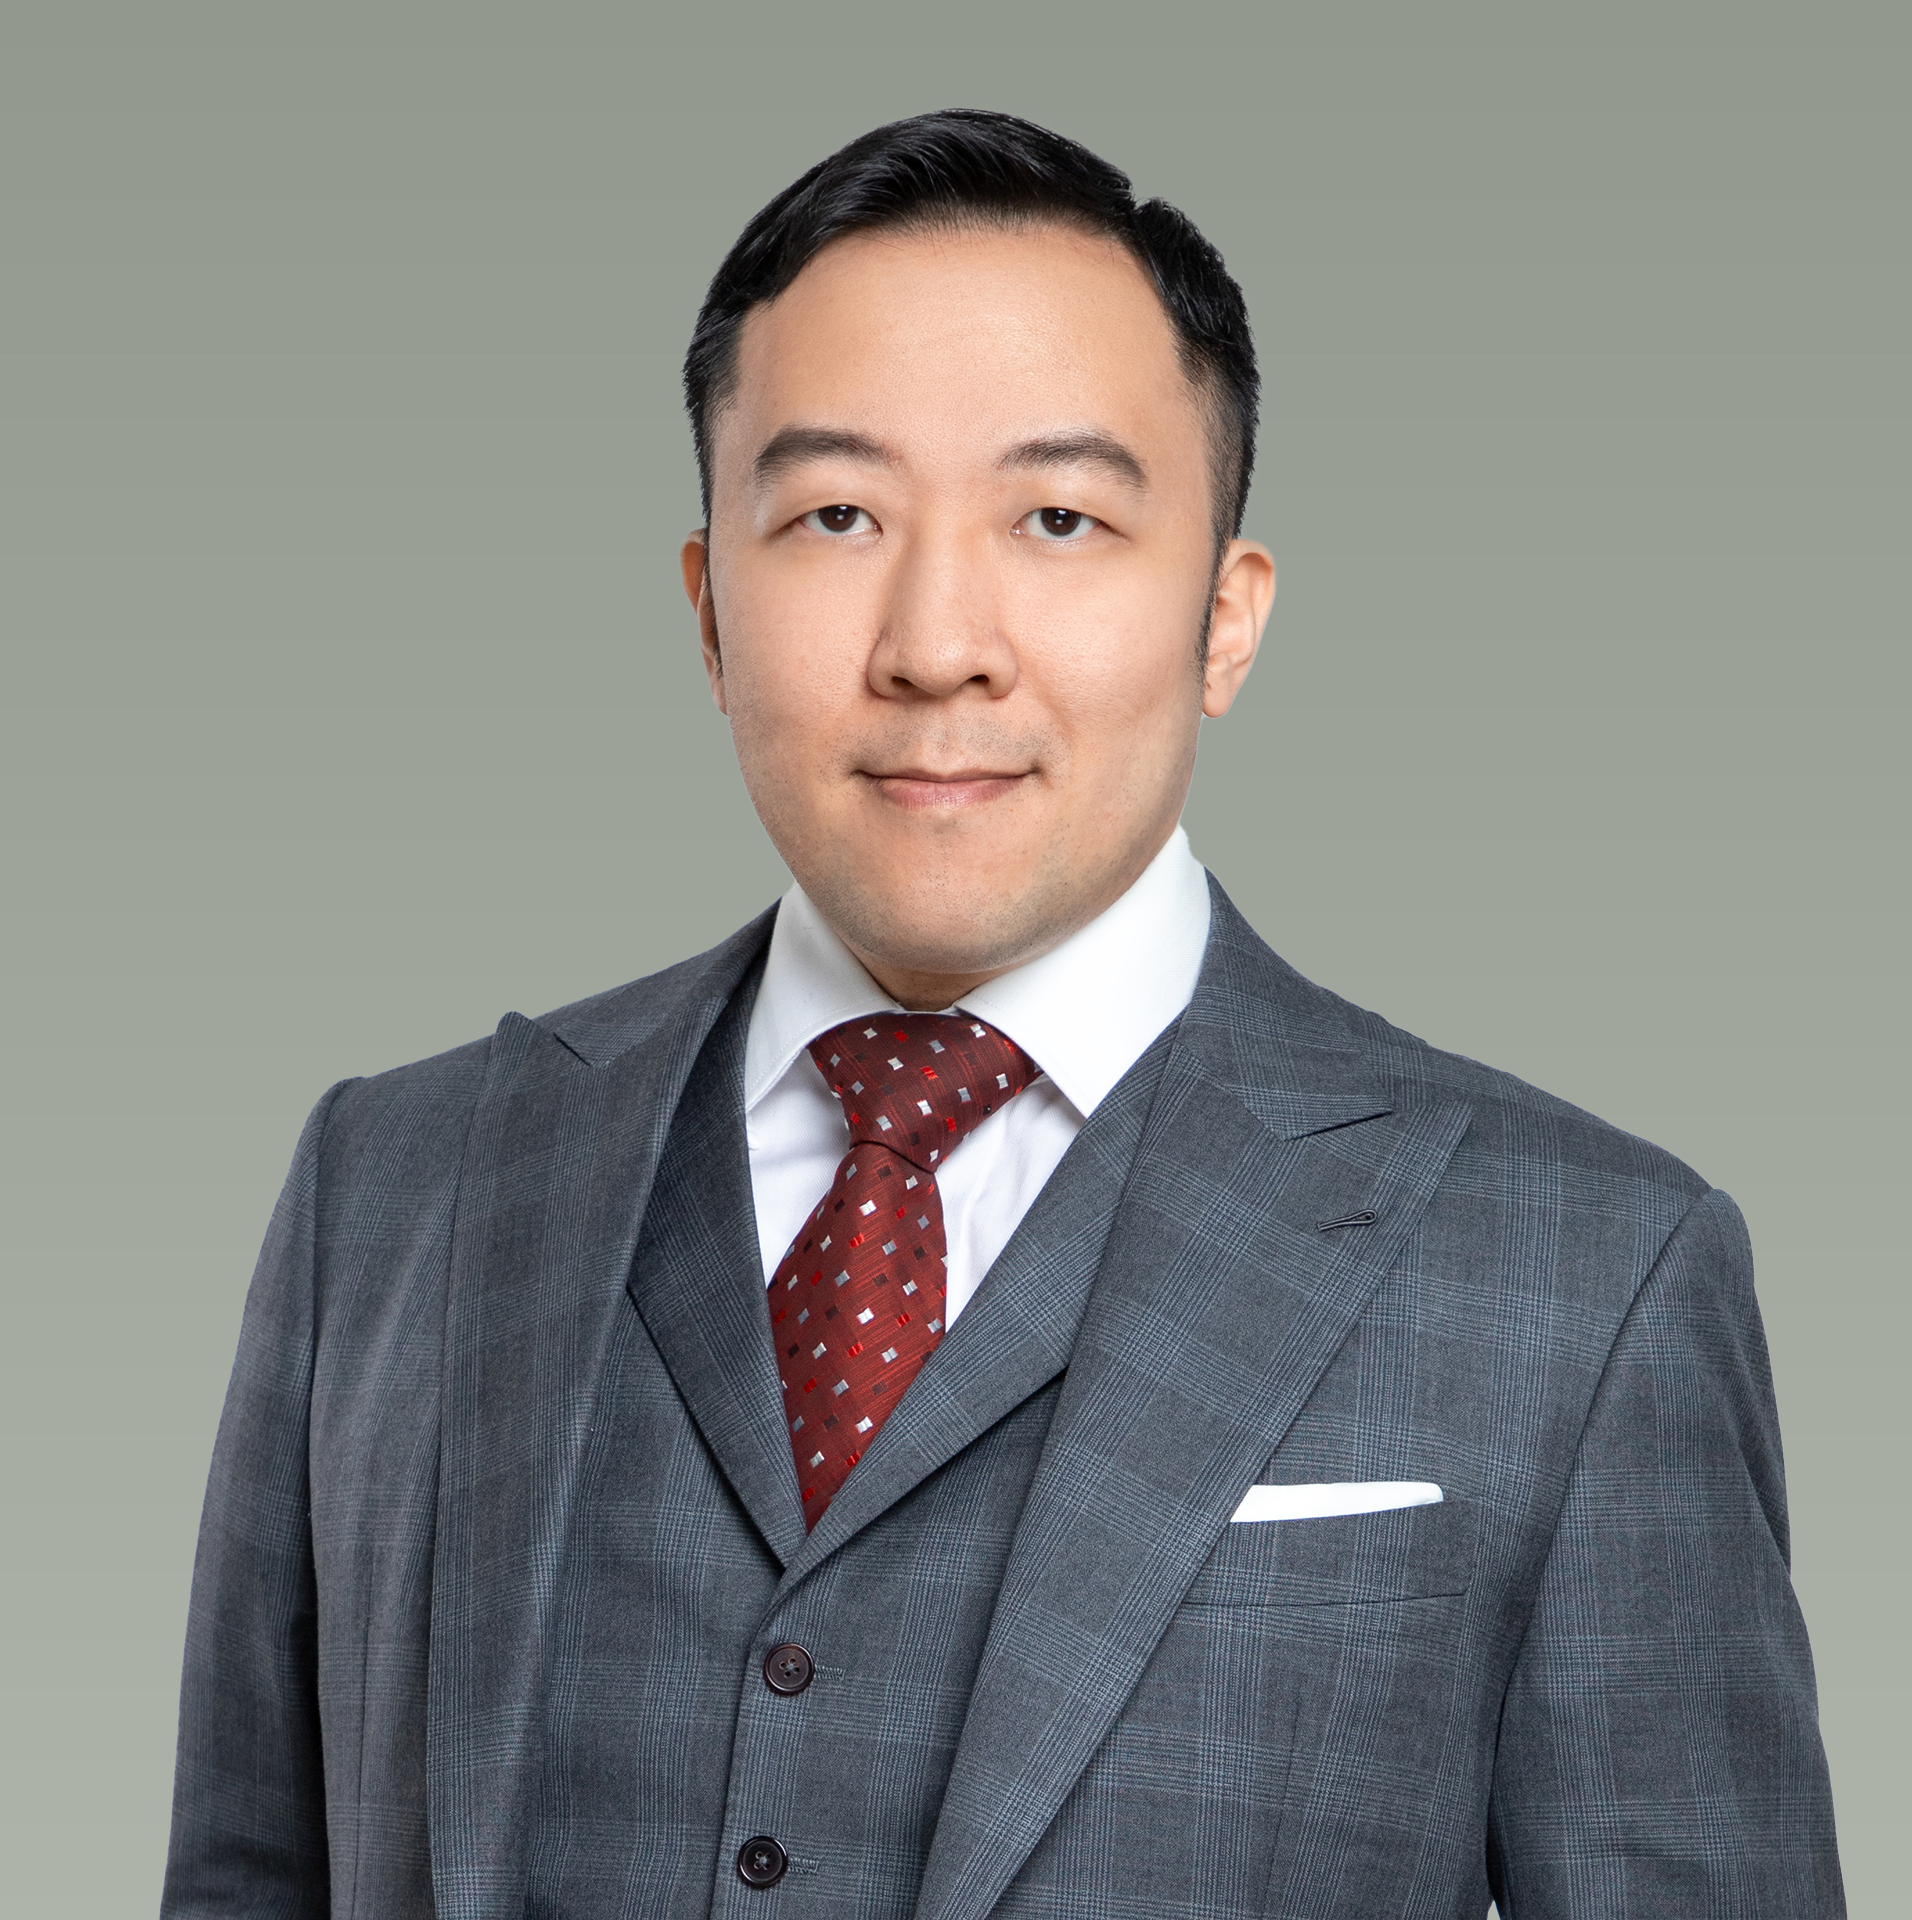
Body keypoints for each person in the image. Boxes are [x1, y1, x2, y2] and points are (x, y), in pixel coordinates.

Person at [162, 110, 1842, 1919]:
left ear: (1225, 617)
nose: (937, 641)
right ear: (710, 608)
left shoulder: (1585, 1273)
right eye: (836, 515)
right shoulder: (395, 1191)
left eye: (1058, 518)